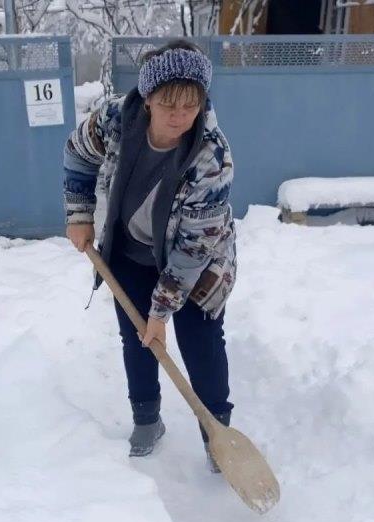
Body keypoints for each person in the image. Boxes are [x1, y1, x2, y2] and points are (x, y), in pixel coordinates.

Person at [63, 40, 237, 471]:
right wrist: (79, 213)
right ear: (147, 97)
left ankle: (217, 433)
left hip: (197, 262)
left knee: (201, 343)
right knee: (136, 338)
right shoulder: (116, 119)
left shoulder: (211, 158)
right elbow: (77, 153)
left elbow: (193, 251)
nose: (179, 117)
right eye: (168, 104)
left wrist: (161, 312)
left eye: (190, 106)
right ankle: (147, 419)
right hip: (129, 249)